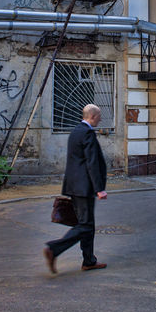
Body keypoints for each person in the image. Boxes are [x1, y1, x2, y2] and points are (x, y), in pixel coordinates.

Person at [43, 104, 108, 274]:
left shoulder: (75, 131)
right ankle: (53, 249)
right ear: (93, 116)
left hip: (74, 185)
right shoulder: (87, 133)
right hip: (84, 187)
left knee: (87, 224)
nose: (100, 119)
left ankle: (89, 260)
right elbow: (91, 162)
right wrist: (99, 188)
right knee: (85, 225)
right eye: (99, 116)